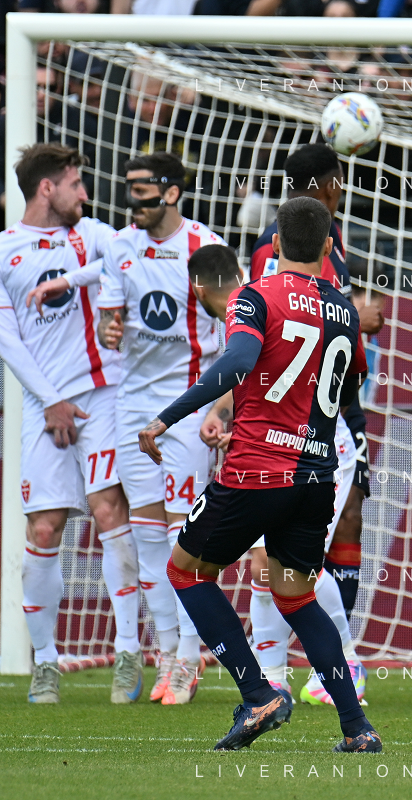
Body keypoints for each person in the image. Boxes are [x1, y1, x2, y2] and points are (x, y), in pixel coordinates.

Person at [138, 199, 381, 753]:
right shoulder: (344, 310)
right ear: (328, 247)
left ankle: (257, 695)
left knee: (185, 573)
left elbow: (240, 360)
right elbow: (346, 388)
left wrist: (166, 417)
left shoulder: (254, 296)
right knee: (297, 597)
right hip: (316, 476)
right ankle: (357, 728)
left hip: (256, 471)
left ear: (275, 245)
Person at [232, 143, 382, 704]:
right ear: (325, 184)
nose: (344, 190)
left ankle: (328, 667)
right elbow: (278, 326)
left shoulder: (327, 241)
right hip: (290, 418)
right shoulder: (277, 248)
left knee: (296, 551)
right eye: (339, 180)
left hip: (318, 417)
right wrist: (356, 318)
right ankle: (295, 672)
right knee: (279, 557)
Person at [0, 145, 138, 705]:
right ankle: (45, 663)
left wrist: (72, 281)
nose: (85, 193)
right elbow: (8, 340)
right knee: (43, 529)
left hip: (103, 392)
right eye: (76, 184)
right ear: (46, 189)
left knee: (109, 510)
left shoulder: (92, 234)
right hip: (44, 404)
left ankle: (127, 652)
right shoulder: (4, 251)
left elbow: (127, 256)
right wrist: (51, 400)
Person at [88, 151, 225, 705]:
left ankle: (191, 655)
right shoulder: (120, 246)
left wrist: (222, 408)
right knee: (146, 534)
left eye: (142, 190)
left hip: (188, 403)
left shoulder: (205, 246)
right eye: (129, 189)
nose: (132, 201)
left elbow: (234, 327)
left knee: (181, 535)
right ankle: (167, 650)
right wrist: (109, 328)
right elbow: (109, 318)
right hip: (132, 406)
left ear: (172, 192)